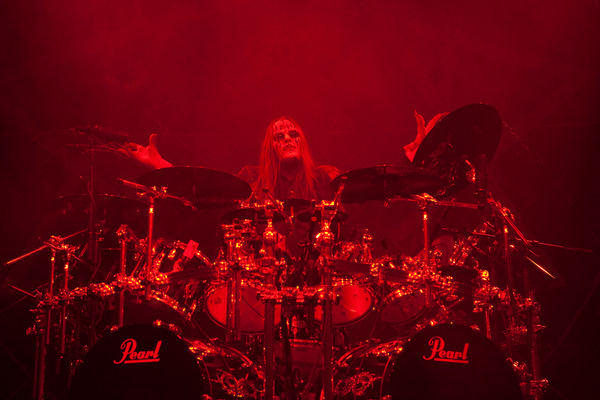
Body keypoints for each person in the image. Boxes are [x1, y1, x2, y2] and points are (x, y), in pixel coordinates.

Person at [124, 116, 340, 202]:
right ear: (269, 147)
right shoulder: (252, 178)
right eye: (279, 137)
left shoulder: (322, 178)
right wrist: (159, 164)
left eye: (293, 134)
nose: (287, 139)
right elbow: (204, 189)